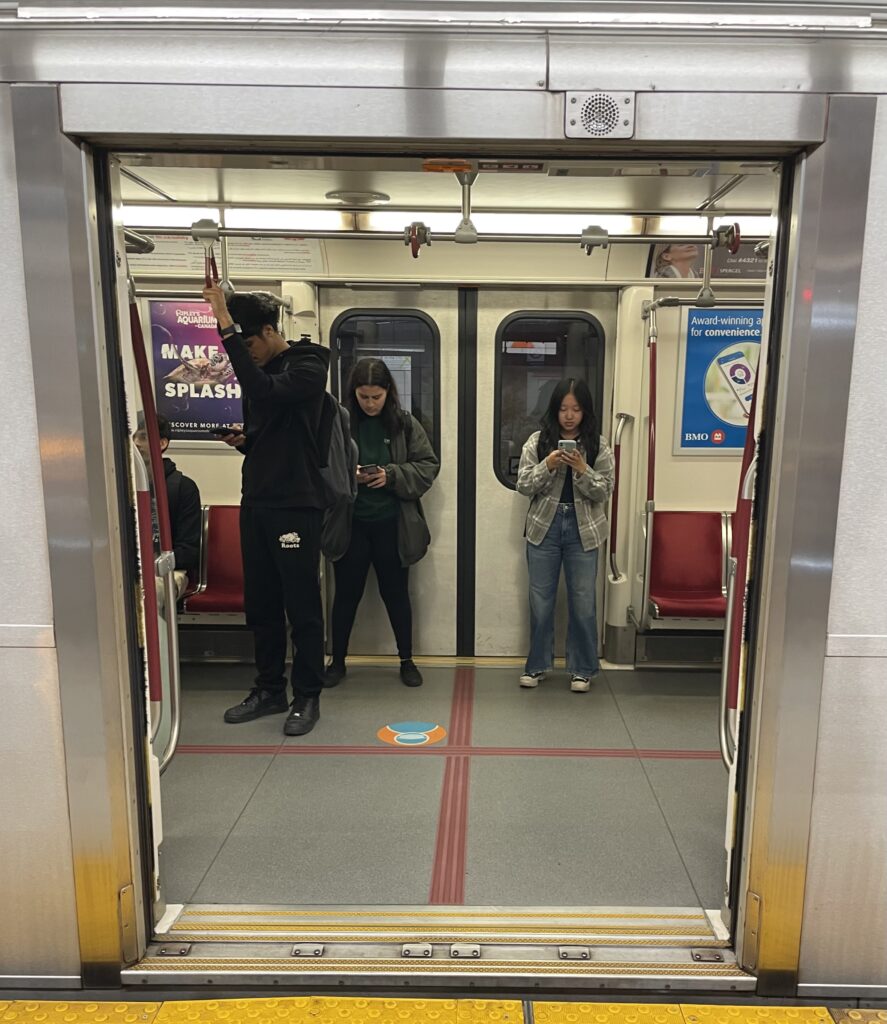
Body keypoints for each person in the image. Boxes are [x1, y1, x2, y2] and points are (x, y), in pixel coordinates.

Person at [202, 284, 329, 737]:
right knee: (262, 605)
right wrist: (247, 442)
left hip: (297, 504)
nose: (247, 353)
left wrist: (225, 326)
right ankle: (269, 688)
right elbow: (274, 432)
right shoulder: (262, 374)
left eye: (250, 342)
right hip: (256, 501)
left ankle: (307, 695)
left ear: (271, 331)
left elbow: (265, 389)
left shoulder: (310, 365)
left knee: (302, 607)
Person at [322, 358, 439, 688]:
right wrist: (350, 476)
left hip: (392, 524)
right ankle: (338, 660)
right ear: (353, 394)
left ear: (389, 392)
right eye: (363, 397)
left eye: (376, 396)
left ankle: (406, 660)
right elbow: (321, 467)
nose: (370, 404)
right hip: (351, 524)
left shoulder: (404, 424)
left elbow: (427, 466)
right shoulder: (338, 424)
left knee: (397, 594)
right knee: (346, 595)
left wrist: (391, 475)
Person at [516, 378, 615, 692]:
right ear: (554, 410)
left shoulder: (598, 445)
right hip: (544, 527)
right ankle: (537, 666)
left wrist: (583, 469)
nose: (569, 416)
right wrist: (548, 465)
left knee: (583, 601)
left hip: (583, 530)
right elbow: (523, 485)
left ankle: (582, 669)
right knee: (540, 601)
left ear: (585, 411)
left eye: (576, 409)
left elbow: (605, 491)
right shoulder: (537, 442)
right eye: (563, 409)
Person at [134, 414, 202, 601]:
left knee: (146, 592)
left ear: (162, 443)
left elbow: (188, 551)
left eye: (143, 437)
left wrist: (151, 563)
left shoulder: (183, 487)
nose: (136, 444)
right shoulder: (120, 486)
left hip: (169, 570)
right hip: (132, 568)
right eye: (133, 438)